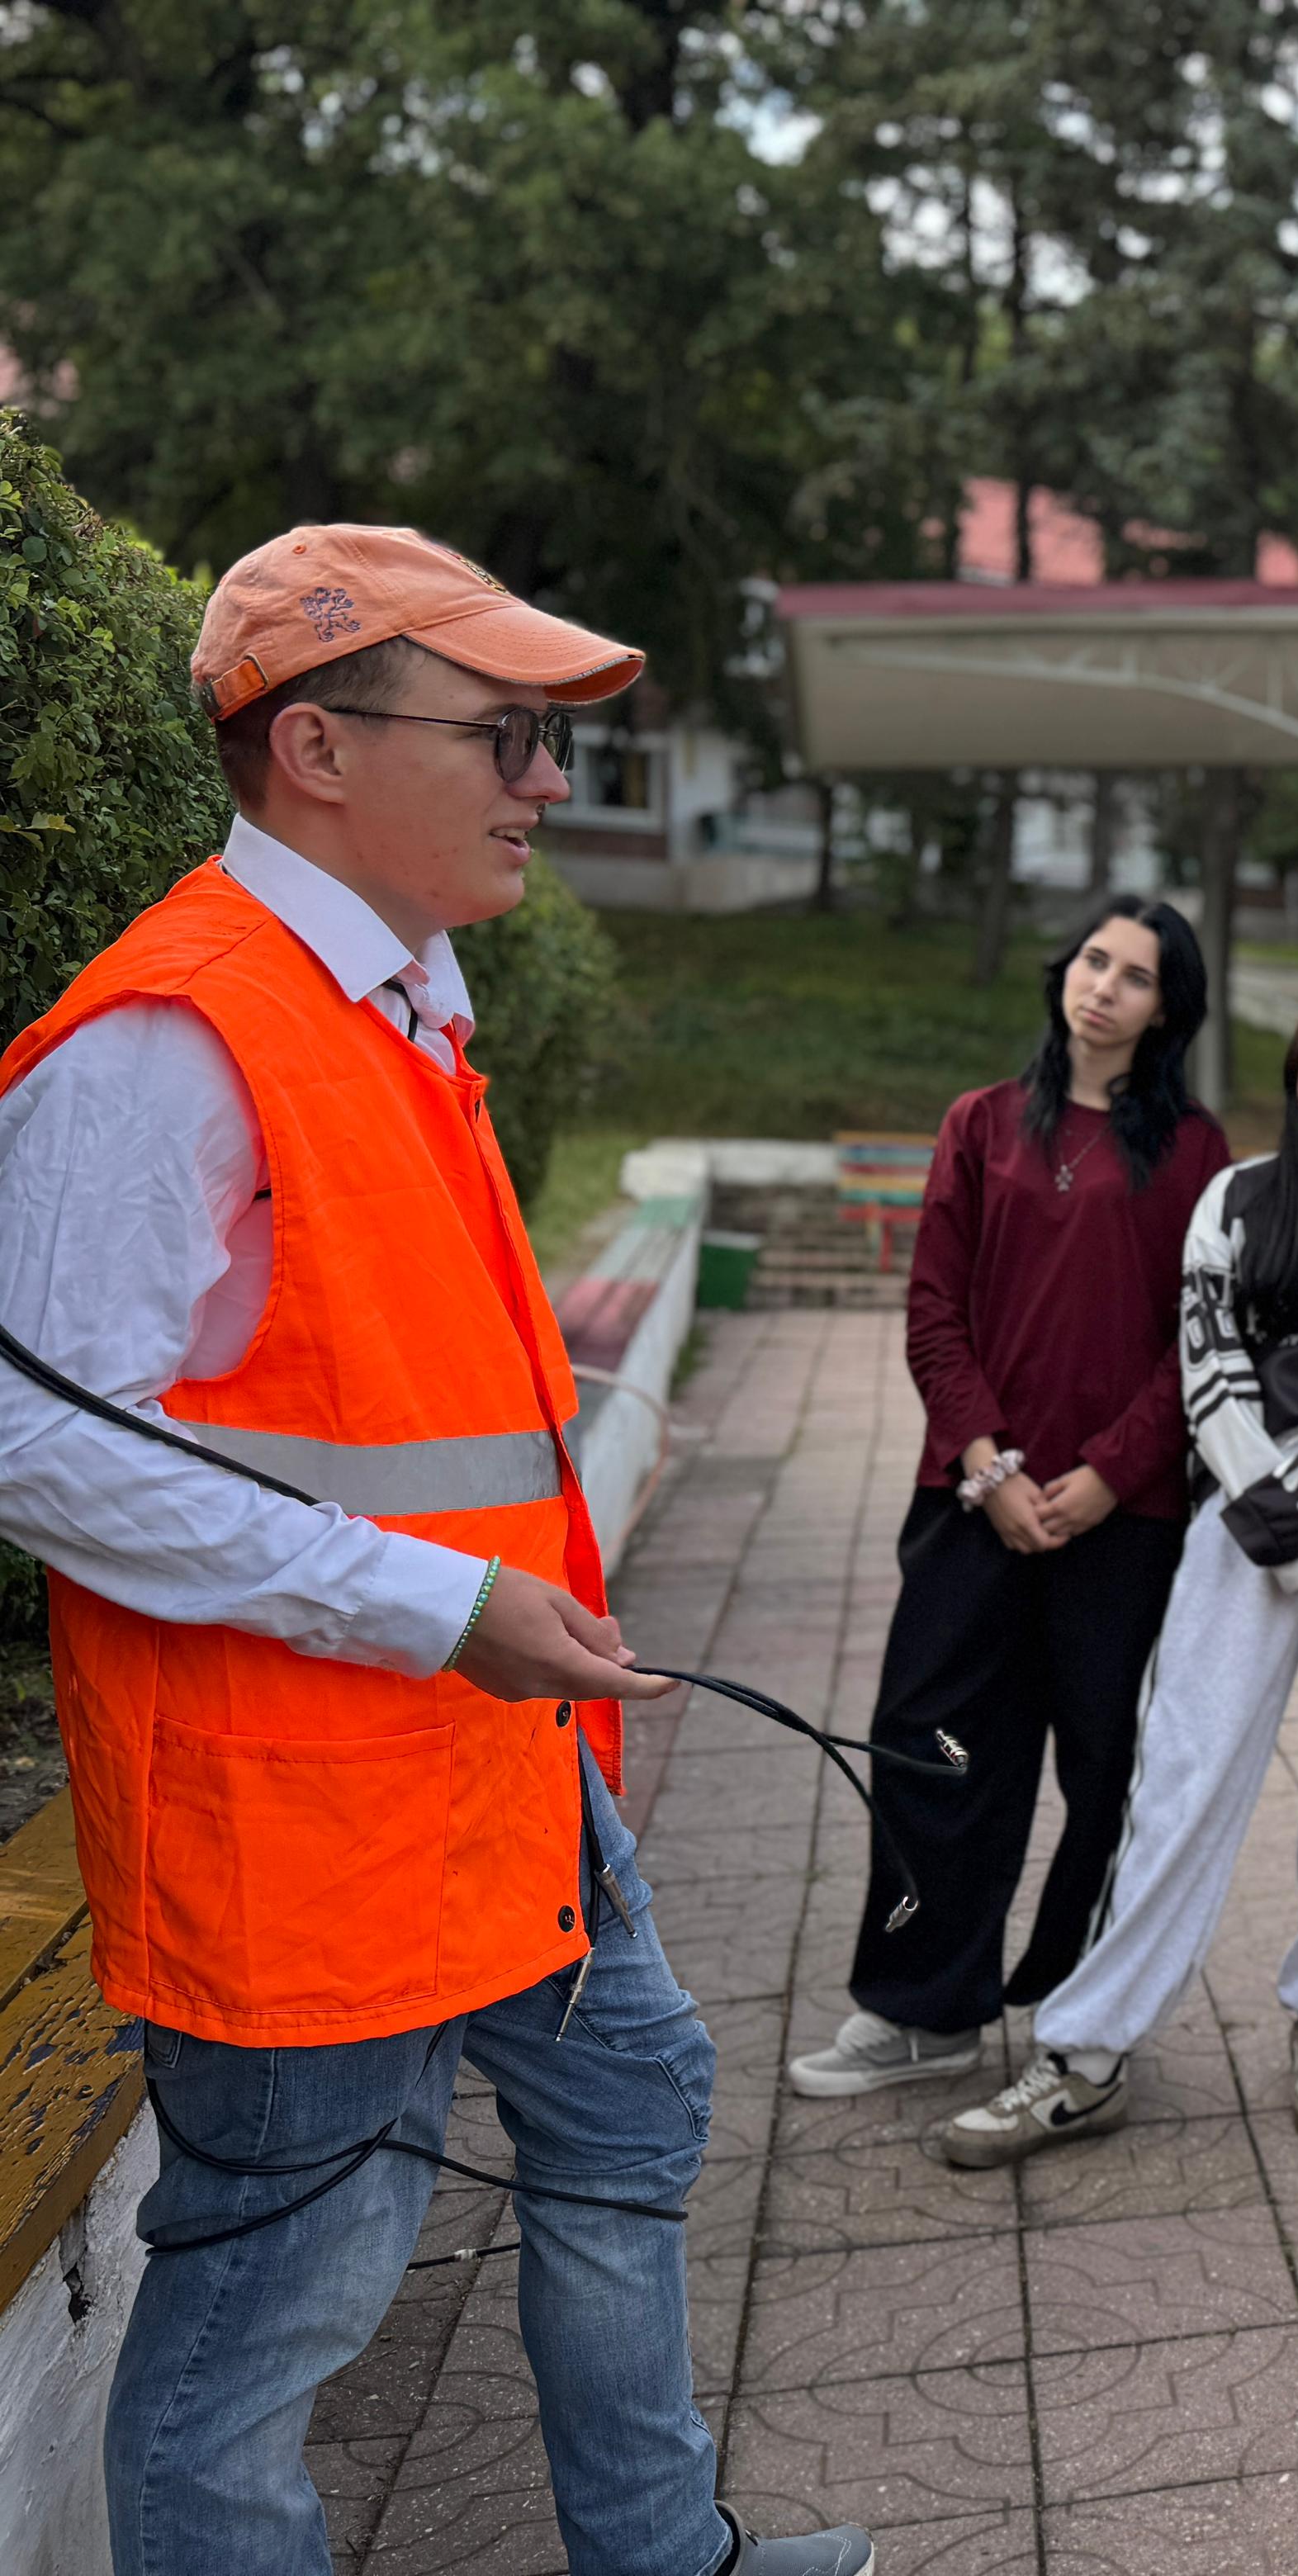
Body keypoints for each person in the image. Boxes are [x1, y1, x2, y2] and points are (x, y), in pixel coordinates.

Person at [0, 525, 866, 2574]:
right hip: (302, 1817)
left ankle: (662, 2554)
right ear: (315, 747)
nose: (547, 782)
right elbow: (31, 1445)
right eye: (503, 735)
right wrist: (439, 1600)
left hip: (487, 1759)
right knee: (277, 2299)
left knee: (630, 2099)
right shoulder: (173, 1039)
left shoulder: (395, 1006)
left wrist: (479, 1610)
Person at [938, 979, 1298, 2164]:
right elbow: (1209, 1365)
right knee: (1181, 1774)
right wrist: (1285, 1524)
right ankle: (1088, 2049)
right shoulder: (1238, 1199)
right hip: (1243, 1517)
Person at [786, 895, 1229, 2097]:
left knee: (1105, 1771)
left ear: (1167, 1010)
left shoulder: (1196, 1155)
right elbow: (935, 1311)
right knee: (932, 1750)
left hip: (1121, 1523)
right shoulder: (979, 1123)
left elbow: (1198, 1344)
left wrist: (1108, 1475)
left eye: (1136, 976)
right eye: (1094, 960)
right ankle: (921, 2012)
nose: (1105, 987)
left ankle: (1085, 2011)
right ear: (1064, 971)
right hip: (972, 1506)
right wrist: (989, 1469)